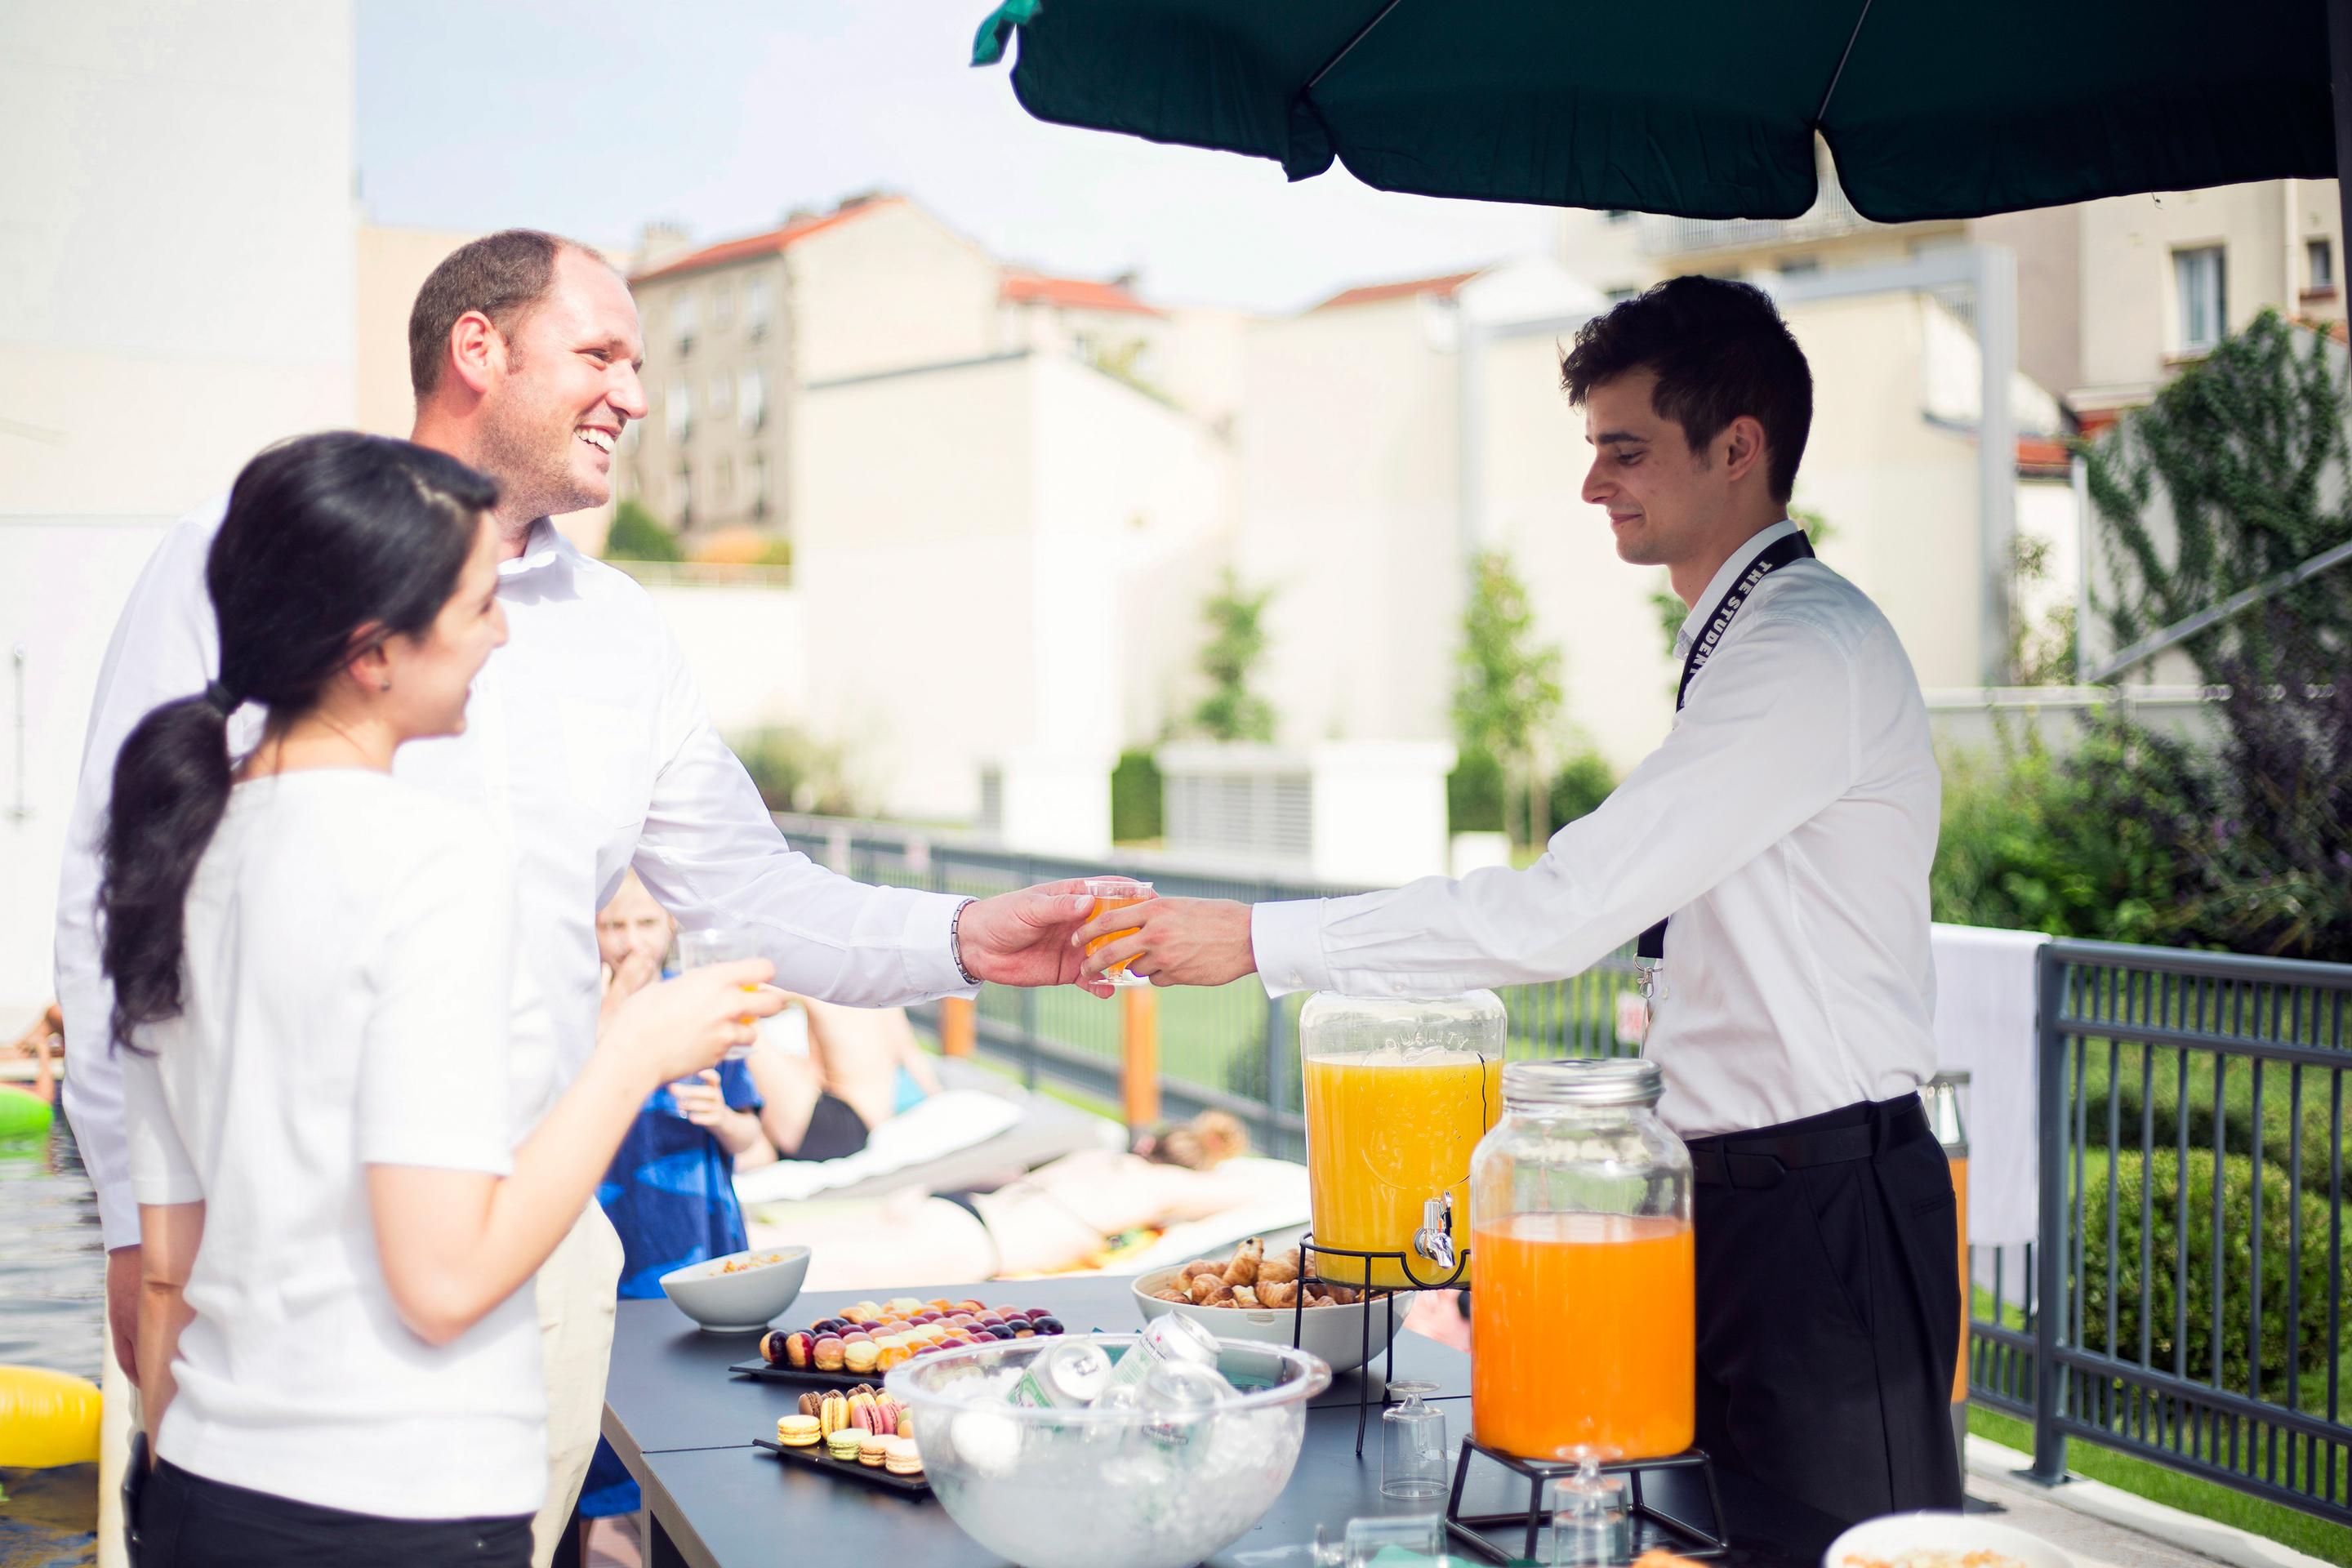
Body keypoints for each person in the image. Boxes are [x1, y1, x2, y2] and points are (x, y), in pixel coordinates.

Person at [52, 229, 1100, 1565]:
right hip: (251, 1261)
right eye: (602, 352)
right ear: (475, 350)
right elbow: (115, 904)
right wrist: (143, 1237)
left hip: (529, 1252)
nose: (638, 395)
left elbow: (754, 894)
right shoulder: (256, 558)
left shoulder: (620, 629)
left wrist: (969, 937)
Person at [1072, 277, 1959, 1524]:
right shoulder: (1749, 641)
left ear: (1738, 447)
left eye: (1626, 448)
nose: (1596, 484)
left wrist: (1257, 941)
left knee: (1839, 1551)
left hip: (1821, 1214)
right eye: (1595, 450)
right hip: (1745, 1200)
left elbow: (1560, 913)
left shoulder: (1801, 651)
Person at [101, 433, 784, 1564]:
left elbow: (169, 1264)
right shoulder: (435, 862)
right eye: (477, 608)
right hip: (398, 1503)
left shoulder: (176, 849)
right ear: (373, 651)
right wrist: (633, 1055)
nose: (504, 634)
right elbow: (444, 1283)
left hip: (203, 1485)